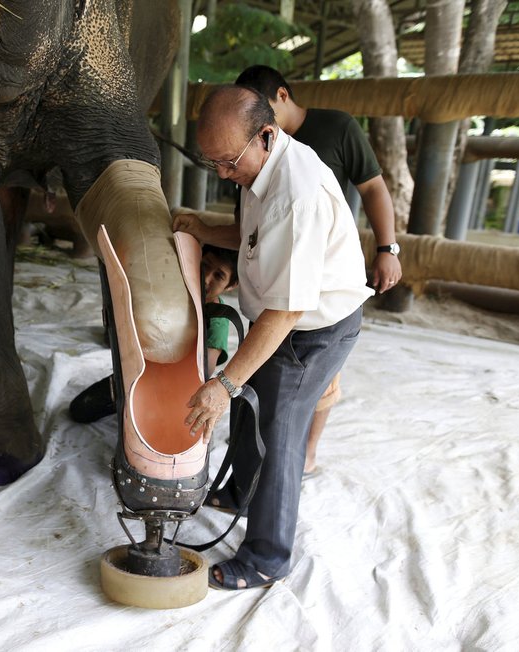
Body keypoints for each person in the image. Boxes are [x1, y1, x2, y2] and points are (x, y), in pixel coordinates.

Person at [172, 85, 373, 590]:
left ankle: (267, 556)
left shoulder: (296, 195)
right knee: (247, 403)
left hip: (311, 331)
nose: (221, 173)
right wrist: (200, 227)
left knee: (278, 429)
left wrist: (222, 382)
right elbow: (253, 238)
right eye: (211, 161)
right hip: (279, 320)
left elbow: (286, 313)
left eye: (228, 162)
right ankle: (241, 490)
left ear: (267, 133)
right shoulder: (259, 164)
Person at [235, 65, 402, 477]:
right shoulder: (248, 144)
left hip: (325, 276)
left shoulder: (336, 128)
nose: (255, 122)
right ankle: (263, 463)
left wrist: (387, 248)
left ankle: (305, 454)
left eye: (260, 110)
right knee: (267, 380)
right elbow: (250, 228)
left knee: (318, 379)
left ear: (282, 96)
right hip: (275, 275)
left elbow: (374, 187)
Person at [68, 244, 239, 423]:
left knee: (152, 429)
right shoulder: (175, 292)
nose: (206, 278)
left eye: (218, 276)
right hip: (139, 373)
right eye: (205, 266)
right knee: (80, 410)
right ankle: (129, 403)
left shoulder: (218, 319)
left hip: (174, 388)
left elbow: (204, 369)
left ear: (231, 285)